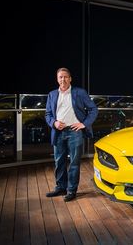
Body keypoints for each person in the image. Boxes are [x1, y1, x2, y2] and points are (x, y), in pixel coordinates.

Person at [45, 67, 98, 202]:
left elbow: (93, 109)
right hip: (58, 132)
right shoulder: (52, 94)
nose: (63, 79)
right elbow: (48, 114)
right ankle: (60, 187)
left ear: (70, 79)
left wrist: (83, 124)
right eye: (60, 77)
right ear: (57, 79)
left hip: (75, 132)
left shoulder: (79, 92)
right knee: (59, 161)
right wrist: (54, 123)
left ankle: (71, 190)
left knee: (74, 162)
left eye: (65, 77)